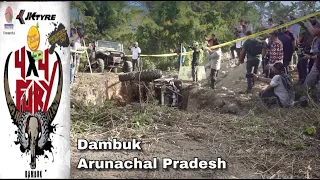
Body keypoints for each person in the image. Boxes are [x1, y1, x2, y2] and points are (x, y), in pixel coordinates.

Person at [301, 18, 320, 105]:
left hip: (317, 62)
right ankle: (304, 100)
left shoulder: (316, 33)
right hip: (317, 63)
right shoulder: (317, 39)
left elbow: (313, 32)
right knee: (308, 82)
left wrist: (307, 22)